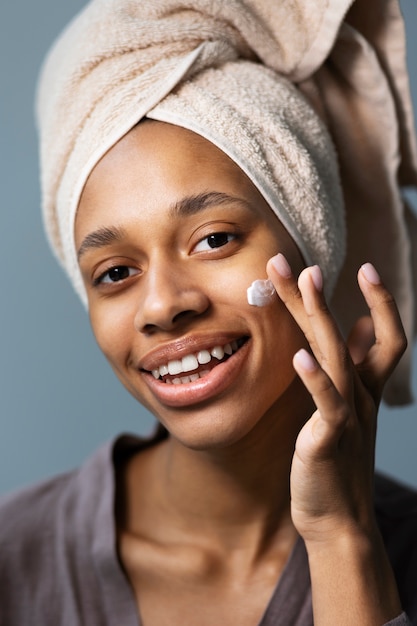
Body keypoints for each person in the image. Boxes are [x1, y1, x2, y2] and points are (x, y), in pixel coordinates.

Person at [1, 1, 417, 624]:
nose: (164, 305)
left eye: (214, 238)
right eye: (115, 273)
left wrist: (341, 535)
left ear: (313, 242)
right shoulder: (14, 563)